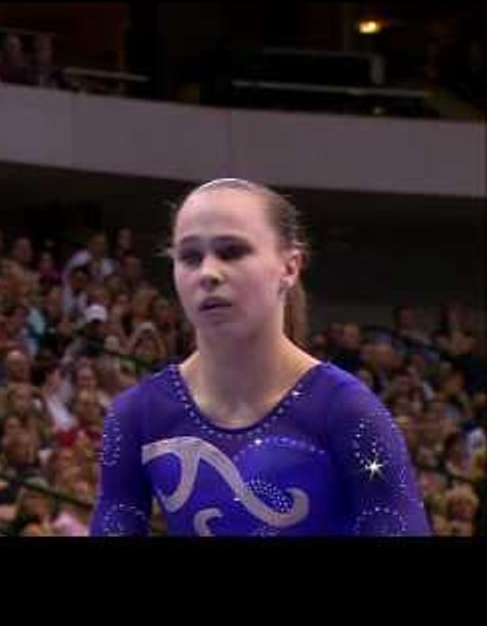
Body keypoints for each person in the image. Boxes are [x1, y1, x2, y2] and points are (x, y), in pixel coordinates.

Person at [91, 178, 430, 536]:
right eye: (190, 256)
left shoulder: (346, 411)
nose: (207, 272)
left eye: (232, 251)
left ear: (289, 267)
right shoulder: (138, 415)